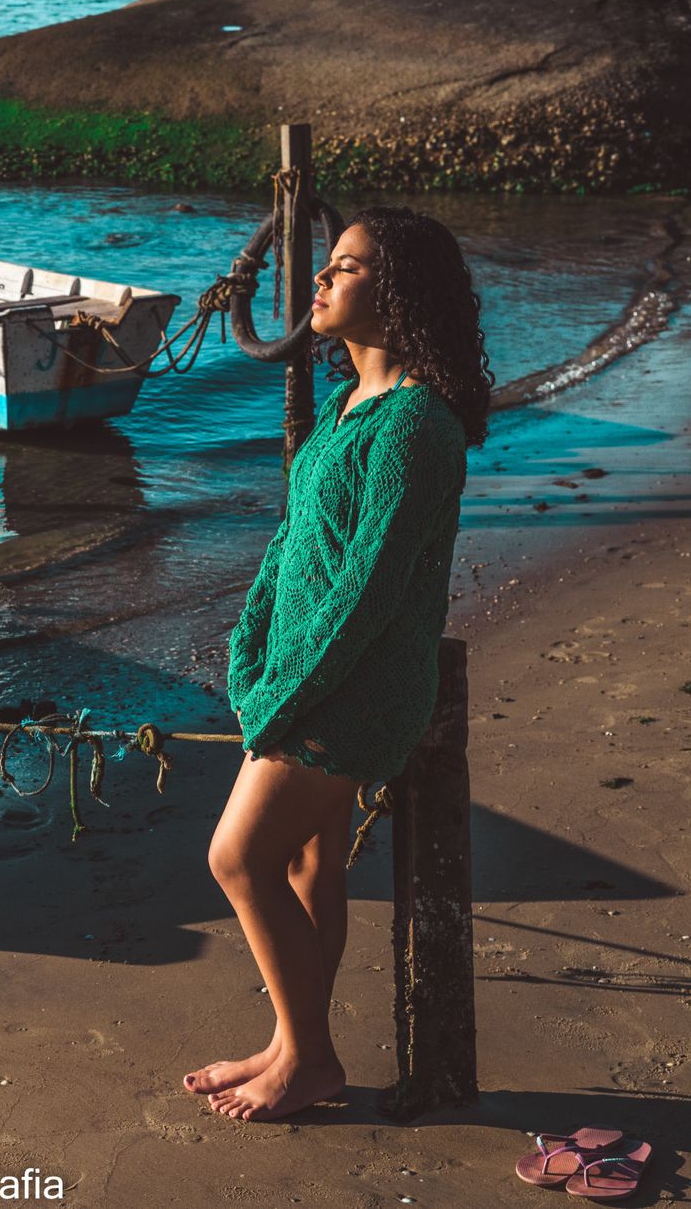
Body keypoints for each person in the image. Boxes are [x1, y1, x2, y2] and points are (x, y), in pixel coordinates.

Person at [184, 205, 494, 1122]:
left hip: (353, 691)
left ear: (394, 291)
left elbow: (369, 591)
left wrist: (283, 697)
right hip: (309, 676)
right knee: (308, 868)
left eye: (345, 267)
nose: (318, 280)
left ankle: (310, 1060)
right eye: (328, 264)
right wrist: (250, 653)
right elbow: (292, 550)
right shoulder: (351, 408)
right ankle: (291, 1043)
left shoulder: (413, 427)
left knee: (237, 858)